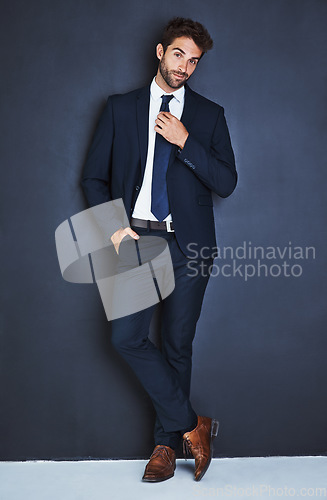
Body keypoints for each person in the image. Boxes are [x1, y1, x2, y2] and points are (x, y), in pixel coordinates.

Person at [81, 17, 237, 482]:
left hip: (189, 245)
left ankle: (166, 447)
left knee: (176, 345)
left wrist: (184, 140)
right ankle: (193, 425)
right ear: (159, 52)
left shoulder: (208, 115)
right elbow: (92, 176)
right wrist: (113, 229)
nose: (185, 66)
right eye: (178, 55)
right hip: (136, 239)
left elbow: (227, 182)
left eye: (194, 60)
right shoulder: (120, 108)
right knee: (125, 337)